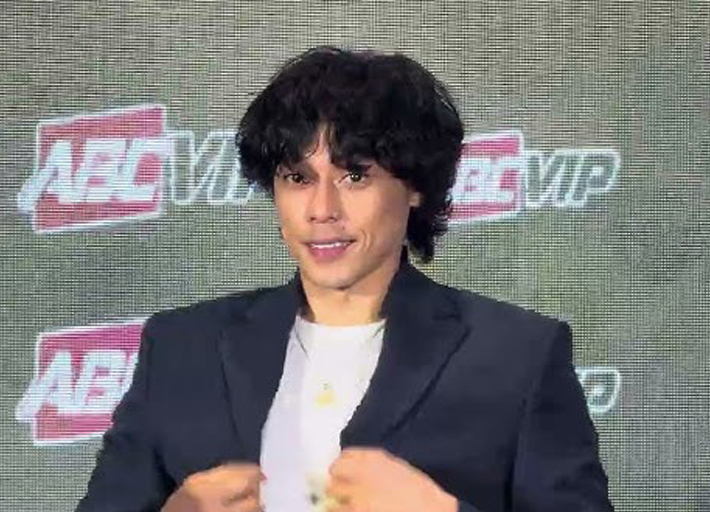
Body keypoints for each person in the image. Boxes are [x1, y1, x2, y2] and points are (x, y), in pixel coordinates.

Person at [76, 46, 614, 512]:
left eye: (354, 176)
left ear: (415, 186)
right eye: (297, 177)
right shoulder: (179, 347)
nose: (321, 209)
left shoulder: (519, 355)